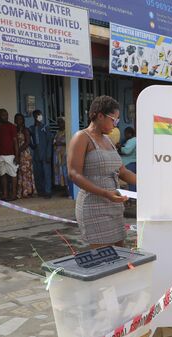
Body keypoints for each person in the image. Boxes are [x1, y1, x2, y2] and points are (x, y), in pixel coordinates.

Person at [68, 96, 136, 248]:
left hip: (113, 205)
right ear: (100, 116)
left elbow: (122, 171)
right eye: (114, 120)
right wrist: (105, 193)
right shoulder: (82, 137)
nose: (115, 124)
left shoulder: (108, 140)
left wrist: (145, 184)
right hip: (93, 205)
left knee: (119, 253)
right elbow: (74, 174)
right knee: (102, 258)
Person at [0, 108, 19, 201]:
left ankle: (14, 194)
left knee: (13, 174)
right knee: (2, 174)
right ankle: (5, 194)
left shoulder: (11, 126)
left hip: (10, 155)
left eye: (7, 115)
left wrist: (17, 156)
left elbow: (15, 142)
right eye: (3, 115)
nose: (6, 117)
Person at [30, 110, 53, 198]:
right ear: (34, 116)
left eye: (39, 115)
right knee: (38, 173)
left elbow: (49, 141)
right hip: (36, 154)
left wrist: (48, 154)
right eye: (36, 115)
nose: (38, 117)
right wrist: (32, 146)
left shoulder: (45, 127)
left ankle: (48, 191)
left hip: (45, 154)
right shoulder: (32, 128)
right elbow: (28, 139)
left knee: (46, 173)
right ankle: (41, 190)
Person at [15, 113, 36, 199]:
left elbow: (27, 142)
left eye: (20, 119)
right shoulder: (15, 129)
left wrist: (18, 151)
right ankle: (22, 191)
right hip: (17, 153)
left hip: (24, 153)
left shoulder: (25, 130)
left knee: (26, 172)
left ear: (23, 120)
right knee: (20, 172)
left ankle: (28, 191)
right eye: (16, 119)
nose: (18, 121)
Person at [53, 117, 69, 196]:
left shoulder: (68, 132)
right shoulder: (57, 132)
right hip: (58, 155)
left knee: (65, 171)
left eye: (61, 122)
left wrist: (61, 143)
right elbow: (54, 142)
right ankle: (64, 190)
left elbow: (69, 142)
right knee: (60, 172)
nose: (60, 124)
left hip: (65, 155)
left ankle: (68, 190)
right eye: (58, 123)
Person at [119, 127, 136, 192]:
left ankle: (132, 197)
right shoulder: (134, 140)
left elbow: (127, 151)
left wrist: (120, 147)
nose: (125, 136)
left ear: (129, 134)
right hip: (132, 162)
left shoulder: (133, 140)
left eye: (125, 134)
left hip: (129, 163)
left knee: (131, 180)